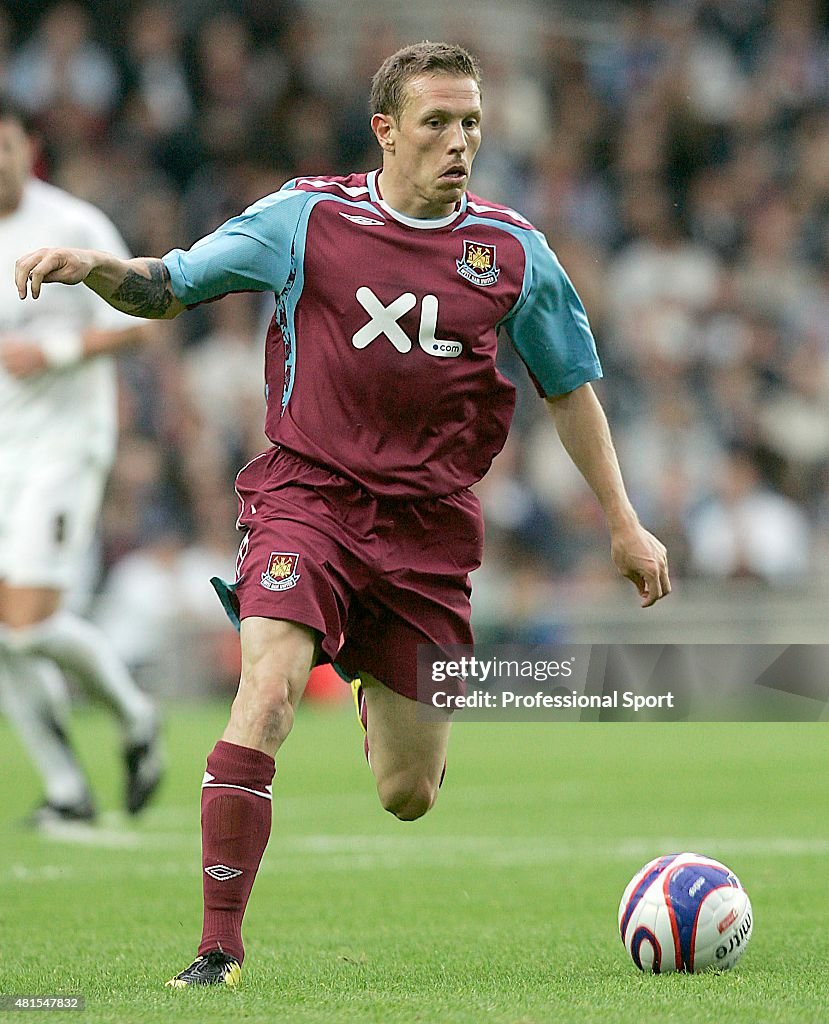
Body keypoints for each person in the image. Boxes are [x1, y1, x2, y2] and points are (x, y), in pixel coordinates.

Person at [14, 42, 670, 986]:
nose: (459, 141)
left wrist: (622, 521)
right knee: (269, 690)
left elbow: (567, 389)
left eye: (472, 122)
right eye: (437, 122)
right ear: (386, 130)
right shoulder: (305, 218)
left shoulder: (513, 252)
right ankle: (217, 949)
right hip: (306, 496)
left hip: (429, 527)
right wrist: (94, 268)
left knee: (407, 796)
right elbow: (171, 287)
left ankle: (372, 679)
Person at [0, 98, 163, 824]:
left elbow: (141, 322)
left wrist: (57, 350)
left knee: (27, 624)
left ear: (28, 146)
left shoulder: (73, 225)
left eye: (2, 145)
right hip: (5, 447)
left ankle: (135, 716)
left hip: (65, 446)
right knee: (6, 632)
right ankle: (67, 790)